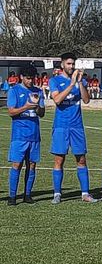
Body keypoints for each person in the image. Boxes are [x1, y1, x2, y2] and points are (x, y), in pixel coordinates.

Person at [50, 52, 96, 203]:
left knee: (81, 159)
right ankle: (57, 194)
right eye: (69, 63)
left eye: (73, 64)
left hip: (77, 126)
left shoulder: (80, 81)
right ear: (62, 64)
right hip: (61, 126)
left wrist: (80, 82)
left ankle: (85, 194)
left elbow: (86, 100)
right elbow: (57, 100)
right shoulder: (54, 80)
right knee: (59, 160)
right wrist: (71, 84)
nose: (71, 66)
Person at [6, 66, 45, 205]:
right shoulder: (14, 90)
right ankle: (12, 196)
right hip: (19, 135)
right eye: (28, 78)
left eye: (32, 78)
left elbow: (42, 113)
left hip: (34, 134)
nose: (30, 81)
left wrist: (37, 107)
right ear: (21, 77)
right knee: (17, 164)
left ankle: (27, 195)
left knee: (32, 165)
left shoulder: (38, 91)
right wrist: (26, 107)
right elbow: (11, 112)